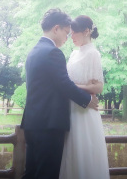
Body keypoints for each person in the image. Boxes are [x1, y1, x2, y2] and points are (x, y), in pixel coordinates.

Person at [21, 9, 99, 179]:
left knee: (31, 173)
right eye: (65, 32)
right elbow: (64, 84)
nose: (67, 37)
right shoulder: (53, 52)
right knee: (46, 174)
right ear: (56, 28)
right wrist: (87, 100)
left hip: (32, 123)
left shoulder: (33, 52)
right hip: (49, 125)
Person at [59, 15, 110, 179]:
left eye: (74, 33)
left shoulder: (93, 54)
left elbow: (99, 86)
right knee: (71, 153)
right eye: (70, 33)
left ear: (86, 31)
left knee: (85, 152)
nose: (71, 36)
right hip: (70, 108)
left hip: (85, 109)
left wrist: (72, 87)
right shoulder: (73, 54)